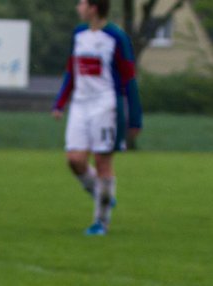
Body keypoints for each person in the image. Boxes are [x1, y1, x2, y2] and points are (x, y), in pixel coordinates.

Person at [52, 0, 143, 236]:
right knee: (74, 159)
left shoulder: (116, 37)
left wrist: (135, 117)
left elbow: (129, 79)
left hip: (105, 106)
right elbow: (72, 71)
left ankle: (100, 222)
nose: (77, 7)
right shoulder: (79, 34)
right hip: (80, 105)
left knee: (103, 162)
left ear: (93, 7)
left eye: (81, 3)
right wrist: (60, 102)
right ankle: (102, 194)